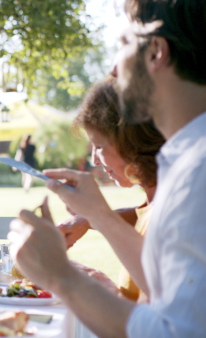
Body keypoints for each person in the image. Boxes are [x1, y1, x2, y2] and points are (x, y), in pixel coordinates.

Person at [8, 0, 206, 336]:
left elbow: (175, 331)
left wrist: (59, 274)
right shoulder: (184, 160)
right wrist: (97, 215)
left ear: (156, 51)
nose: (114, 70)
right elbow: (171, 293)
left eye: (123, 44)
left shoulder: (197, 171)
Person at [58, 77, 165, 301]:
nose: (95, 160)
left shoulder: (173, 208)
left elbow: (155, 317)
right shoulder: (157, 198)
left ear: (130, 140)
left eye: (98, 146)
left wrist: (103, 289)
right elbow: (142, 217)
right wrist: (87, 219)